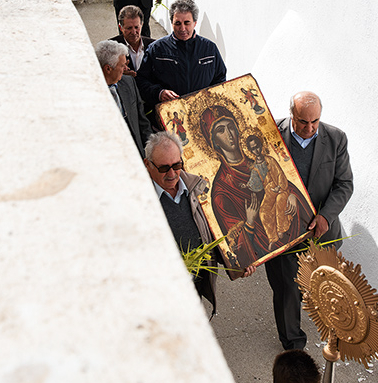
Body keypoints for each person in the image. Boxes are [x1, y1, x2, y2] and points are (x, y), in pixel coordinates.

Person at [267, 92, 354, 350]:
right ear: (292, 115)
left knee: (316, 286)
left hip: (320, 233)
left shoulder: (336, 139)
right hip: (282, 233)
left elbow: (344, 184)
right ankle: (292, 343)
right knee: (286, 290)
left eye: (315, 121)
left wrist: (326, 216)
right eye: (303, 122)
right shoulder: (270, 133)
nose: (310, 128)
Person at [198, 106, 311, 269]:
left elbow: (283, 183)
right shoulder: (221, 190)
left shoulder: (261, 161)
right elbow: (236, 246)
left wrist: (292, 195)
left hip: (296, 237)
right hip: (270, 252)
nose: (229, 134)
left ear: (238, 130)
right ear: (213, 141)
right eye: (220, 130)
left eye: (231, 127)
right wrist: (249, 222)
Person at [144, 130, 217, 312]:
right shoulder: (138, 203)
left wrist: (237, 265)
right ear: (147, 165)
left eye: (177, 165)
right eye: (163, 168)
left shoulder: (198, 189)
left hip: (194, 289)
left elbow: (214, 236)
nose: (172, 173)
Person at [137, 0, 226, 112]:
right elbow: (141, 80)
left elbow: (220, 79)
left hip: (202, 115)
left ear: (195, 23)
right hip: (169, 116)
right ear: (172, 23)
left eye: (187, 23)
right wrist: (159, 93)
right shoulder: (156, 49)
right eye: (177, 23)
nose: (182, 28)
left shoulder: (210, 49)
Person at [95, 40, 152, 158]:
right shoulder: (92, 95)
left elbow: (142, 121)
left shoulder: (129, 82)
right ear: (108, 69)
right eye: (122, 65)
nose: (126, 68)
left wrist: (150, 152)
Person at [109, 5, 155, 77]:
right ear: (121, 28)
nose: (133, 32)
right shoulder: (111, 48)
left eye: (136, 27)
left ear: (142, 25)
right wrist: (120, 75)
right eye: (129, 28)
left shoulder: (154, 46)